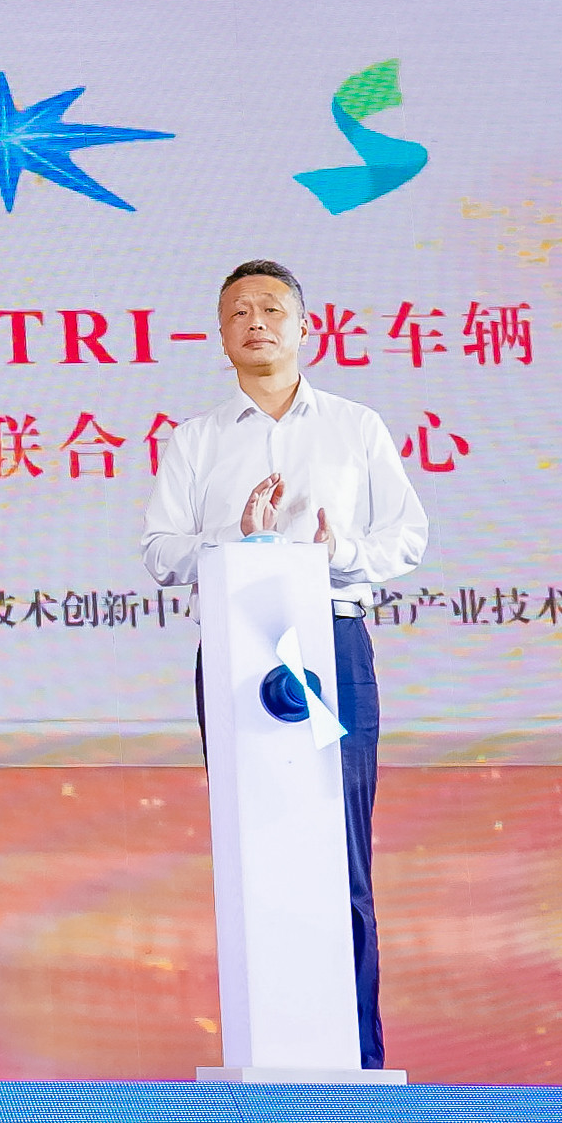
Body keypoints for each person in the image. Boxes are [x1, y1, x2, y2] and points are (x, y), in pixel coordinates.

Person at [139, 258, 430, 1070]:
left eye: (271, 308)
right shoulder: (197, 439)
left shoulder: (355, 426)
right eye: (238, 312)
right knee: (254, 844)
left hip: (333, 639)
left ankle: (358, 1057)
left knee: (341, 849)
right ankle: (263, 1048)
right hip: (240, 649)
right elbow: (160, 551)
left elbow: (407, 536)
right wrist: (234, 539)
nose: (256, 322)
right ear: (220, 334)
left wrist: (342, 553)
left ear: (307, 327)